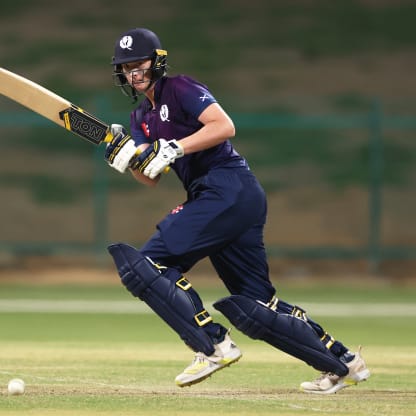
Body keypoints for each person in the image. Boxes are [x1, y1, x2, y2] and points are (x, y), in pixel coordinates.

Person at [104, 27, 370, 394]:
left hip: (227, 186)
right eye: (127, 67)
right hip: (221, 197)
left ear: (157, 62)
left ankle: (212, 344)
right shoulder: (139, 120)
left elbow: (224, 126)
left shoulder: (180, 88)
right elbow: (150, 177)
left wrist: (176, 148)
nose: (135, 73)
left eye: (140, 64)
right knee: (256, 304)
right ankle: (343, 362)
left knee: (148, 265)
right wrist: (126, 159)